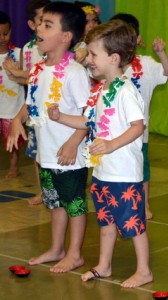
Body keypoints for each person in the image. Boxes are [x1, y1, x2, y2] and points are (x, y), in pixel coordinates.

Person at [47, 19, 153, 288]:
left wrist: (111, 144)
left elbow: (137, 126)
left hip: (125, 173)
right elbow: (88, 122)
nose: (88, 59)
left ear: (114, 58)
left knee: (133, 223)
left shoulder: (126, 92)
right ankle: (104, 265)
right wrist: (61, 118)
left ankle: (144, 270)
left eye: (94, 54)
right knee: (106, 222)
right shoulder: (99, 92)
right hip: (103, 172)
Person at [6, 1, 90, 273]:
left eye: (48, 25)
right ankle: (56, 248)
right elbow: (31, 103)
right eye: (40, 23)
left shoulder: (75, 73)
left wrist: (73, 142)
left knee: (74, 204)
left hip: (69, 156)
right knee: (54, 201)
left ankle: (75, 253)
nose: (39, 28)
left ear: (66, 37)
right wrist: (18, 121)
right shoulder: (39, 70)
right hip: (46, 152)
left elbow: (89, 116)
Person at [111, 13, 168, 220]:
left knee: (141, 169)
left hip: (139, 133)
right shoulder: (108, 64)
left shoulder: (146, 63)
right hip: (112, 131)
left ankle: (143, 204)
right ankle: (116, 202)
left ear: (137, 39)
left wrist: (161, 53)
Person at [3, 0, 50, 205]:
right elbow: (29, 80)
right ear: (32, 25)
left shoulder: (52, 47)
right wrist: (17, 77)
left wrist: (19, 73)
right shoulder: (30, 48)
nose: (45, 26)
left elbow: (43, 75)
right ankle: (43, 192)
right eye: (43, 21)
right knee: (37, 154)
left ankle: (55, 191)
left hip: (52, 110)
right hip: (33, 109)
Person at [0, 11, 25, 179]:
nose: (2, 38)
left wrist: (16, 72)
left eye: (5, 33)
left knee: (12, 140)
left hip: (12, 106)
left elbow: (25, 77)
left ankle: (14, 166)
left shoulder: (18, 53)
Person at [74, 1, 101, 65]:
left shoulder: (103, 44)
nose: (91, 25)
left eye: (95, 20)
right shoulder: (67, 48)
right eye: (86, 22)